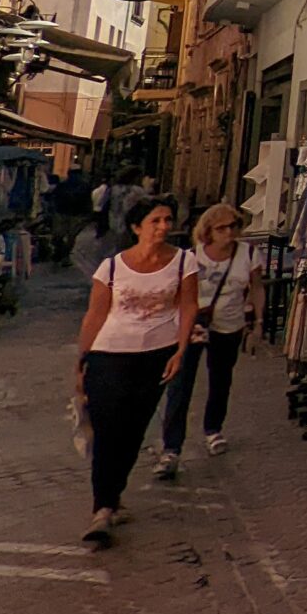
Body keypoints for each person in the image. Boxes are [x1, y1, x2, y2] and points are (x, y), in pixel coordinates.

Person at [74, 195, 197, 546]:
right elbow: (95, 315)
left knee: (133, 430)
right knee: (107, 429)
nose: (163, 227)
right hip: (108, 354)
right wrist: (81, 361)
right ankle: (102, 508)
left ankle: (113, 496)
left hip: (155, 354)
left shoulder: (183, 262)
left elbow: (189, 306)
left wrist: (181, 350)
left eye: (167, 220)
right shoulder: (112, 268)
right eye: (156, 221)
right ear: (136, 227)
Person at [156, 205, 264, 476]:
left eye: (233, 227)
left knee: (221, 378)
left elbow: (256, 288)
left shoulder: (248, 254)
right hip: (193, 326)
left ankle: (213, 429)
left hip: (229, 325)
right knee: (180, 383)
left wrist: (258, 323)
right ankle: (172, 447)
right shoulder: (191, 258)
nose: (229, 233)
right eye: (221, 228)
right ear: (208, 232)